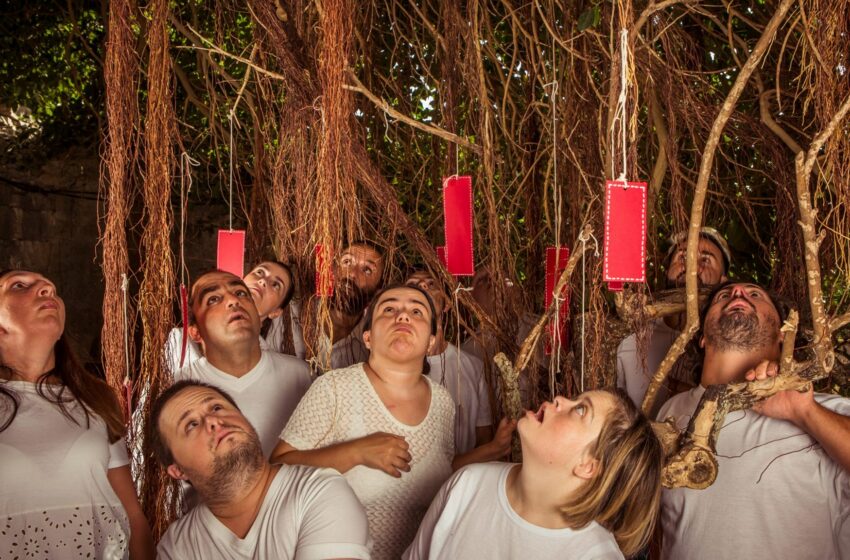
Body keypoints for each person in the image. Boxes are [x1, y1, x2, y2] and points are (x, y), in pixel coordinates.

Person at [657, 281, 850, 559]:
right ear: (700, 336)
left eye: (754, 294)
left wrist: (805, 413)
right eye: (724, 295)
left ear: (784, 334)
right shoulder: (670, 411)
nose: (737, 294)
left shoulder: (822, 409)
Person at [272, 284, 455, 559]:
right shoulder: (334, 388)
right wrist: (356, 452)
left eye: (417, 311)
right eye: (389, 309)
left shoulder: (443, 403)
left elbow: (445, 475)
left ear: (431, 341)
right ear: (367, 337)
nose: (403, 316)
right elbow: (275, 471)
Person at [0, 269, 153, 559]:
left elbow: (133, 516)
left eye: (51, 288)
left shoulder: (95, 398)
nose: (47, 289)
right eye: (19, 285)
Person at [404, 388, 662, 559]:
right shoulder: (467, 484)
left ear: (588, 466)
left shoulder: (594, 555)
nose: (560, 398)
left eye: (581, 410)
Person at [152, 380, 371, 559]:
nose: (213, 420)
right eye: (191, 424)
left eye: (217, 407)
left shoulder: (319, 492)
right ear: (178, 470)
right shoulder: (177, 547)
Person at [175, 269, 311, 457]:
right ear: (195, 332)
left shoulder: (301, 376)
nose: (233, 301)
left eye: (240, 293)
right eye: (213, 299)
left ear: (258, 317)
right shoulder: (174, 388)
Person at [405, 269, 515, 468]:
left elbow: (484, 437)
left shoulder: (473, 366)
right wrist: (494, 448)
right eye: (413, 284)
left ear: (447, 303)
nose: (422, 287)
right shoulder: (392, 365)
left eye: (431, 284)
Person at [616, 227, 731, 413]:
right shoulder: (630, 338)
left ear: (723, 281)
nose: (692, 266)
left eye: (705, 260)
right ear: (667, 270)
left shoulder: (730, 344)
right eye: (683, 257)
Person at [165, 260, 297, 372]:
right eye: (260, 272)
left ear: (276, 312)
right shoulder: (181, 340)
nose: (262, 281)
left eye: (276, 285)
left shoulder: (281, 369)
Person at [310, 242, 386, 371]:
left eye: (367, 270)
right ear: (333, 269)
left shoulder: (376, 341)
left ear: (378, 288)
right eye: (346, 262)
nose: (352, 274)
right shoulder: (293, 314)